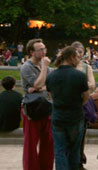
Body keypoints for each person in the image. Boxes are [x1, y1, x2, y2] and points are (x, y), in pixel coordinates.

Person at [45, 46, 90, 170]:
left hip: (58, 116)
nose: (78, 59)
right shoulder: (79, 76)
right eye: (76, 57)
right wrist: (77, 104)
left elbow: (51, 96)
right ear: (71, 57)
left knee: (59, 150)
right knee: (74, 150)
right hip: (75, 115)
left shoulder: (51, 76)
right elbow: (86, 96)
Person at [20, 38, 54, 170]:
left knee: (48, 142)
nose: (44, 52)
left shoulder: (47, 68)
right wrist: (44, 68)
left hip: (47, 107)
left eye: (44, 49)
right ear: (31, 52)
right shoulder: (26, 67)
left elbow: (49, 86)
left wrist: (40, 87)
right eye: (40, 50)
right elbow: (37, 84)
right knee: (31, 144)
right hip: (32, 109)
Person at [70, 41, 96, 169]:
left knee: (81, 134)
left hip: (83, 104)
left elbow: (92, 84)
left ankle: (79, 160)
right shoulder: (67, 66)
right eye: (77, 52)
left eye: (81, 52)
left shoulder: (86, 67)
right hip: (70, 104)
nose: (79, 55)